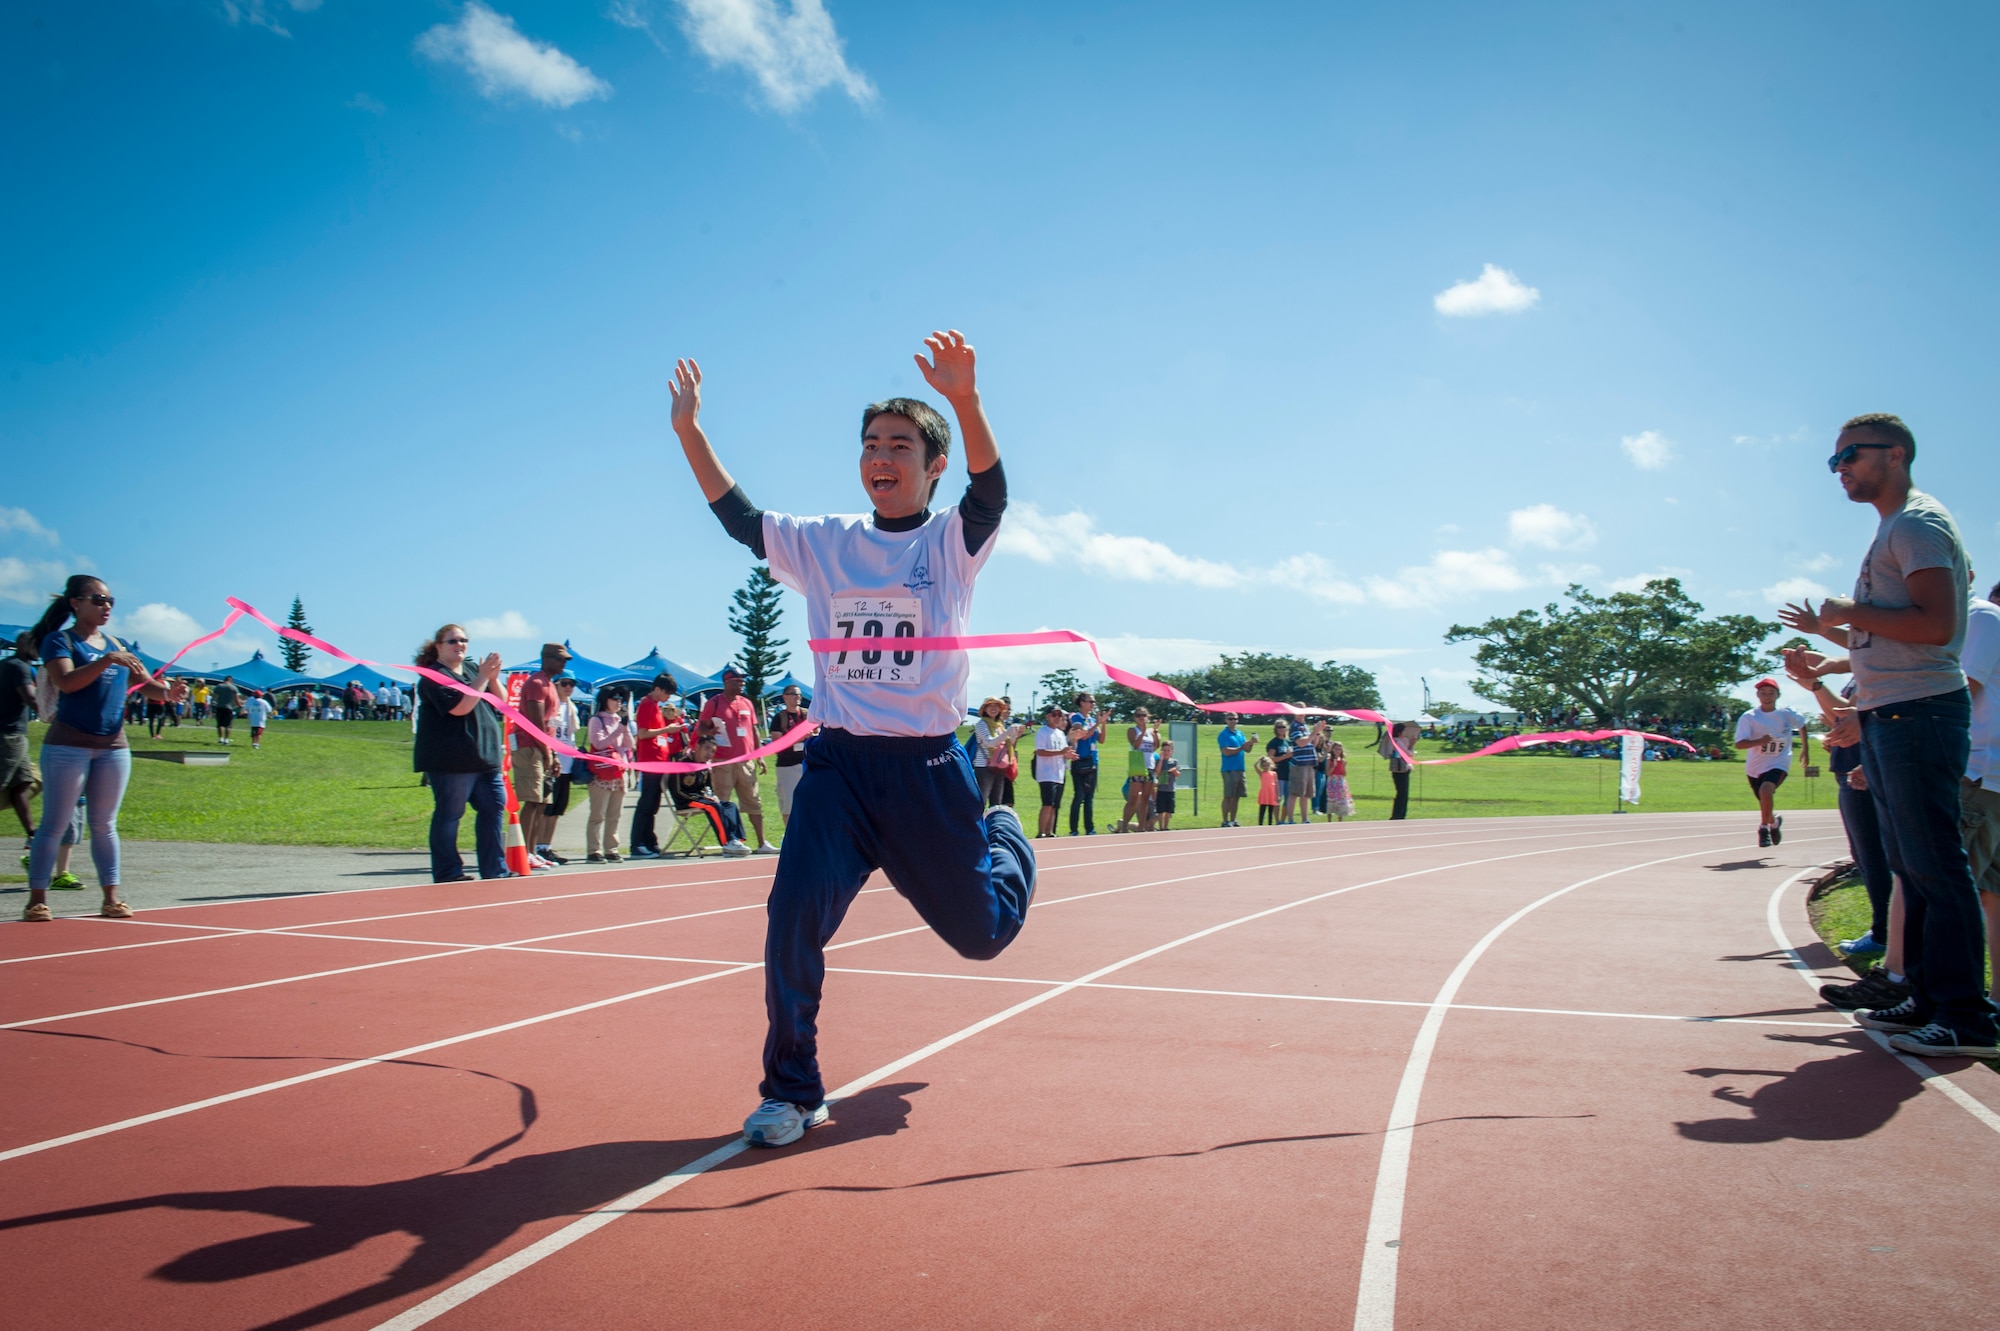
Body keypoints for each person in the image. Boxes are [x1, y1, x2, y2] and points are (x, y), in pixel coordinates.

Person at [670, 327, 1034, 1148]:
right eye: (871, 443)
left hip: (928, 772)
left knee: (981, 937)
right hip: (839, 767)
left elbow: (991, 493)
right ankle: (792, 1089)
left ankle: (1004, 833)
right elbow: (738, 518)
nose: (882, 455)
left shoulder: (952, 543)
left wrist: (966, 401)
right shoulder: (825, 542)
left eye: (900, 444)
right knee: (790, 917)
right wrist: (690, 432)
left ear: (931, 464)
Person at [1775, 412, 1994, 1059]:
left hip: (1921, 712)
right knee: (1912, 865)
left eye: (1849, 456)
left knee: (1937, 865)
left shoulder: (1918, 525)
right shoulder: (1895, 529)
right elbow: (1890, 635)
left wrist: (1847, 612)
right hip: (1894, 712)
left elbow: (1936, 624)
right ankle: (1927, 995)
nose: (1839, 469)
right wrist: (1834, 652)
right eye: (1834, 461)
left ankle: (1966, 1012)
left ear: (1894, 455)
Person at [22, 574, 187, 922]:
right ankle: (38, 898)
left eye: (110, 600)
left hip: (113, 746)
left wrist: (168, 693)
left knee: (105, 824)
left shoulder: (118, 644)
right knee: (54, 822)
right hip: (68, 745)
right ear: (75, 604)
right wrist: (107, 660)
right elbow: (67, 683)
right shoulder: (60, 641)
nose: (106, 606)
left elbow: (147, 685)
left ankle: (111, 898)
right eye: (97, 599)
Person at [411, 623, 509, 883]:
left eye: (464, 640)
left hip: (485, 758)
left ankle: (494, 868)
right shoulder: (435, 676)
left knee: (494, 808)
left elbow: (503, 702)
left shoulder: (472, 670)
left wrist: (493, 677)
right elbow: (460, 707)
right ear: (439, 646)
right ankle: (448, 872)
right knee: (450, 813)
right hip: (452, 761)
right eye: (453, 641)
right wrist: (482, 677)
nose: (460, 645)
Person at [699, 666, 777, 853]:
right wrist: (710, 732)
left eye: (742, 680)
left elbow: (755, 730)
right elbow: (701, 729)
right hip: (723, 762)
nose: (741, 684)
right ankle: (729, 841)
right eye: (737, 681)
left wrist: (759, 757)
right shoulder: (714, 703)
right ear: (727, 682)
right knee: (724, 802)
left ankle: (762, 842)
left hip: (746, 761)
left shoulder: (747, 703)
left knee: (754, 802)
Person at [514, 643, 572, 868]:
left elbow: (551, 727)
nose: (563, 664)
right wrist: (547, 752)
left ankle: (532, 850)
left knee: (541, 802)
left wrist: (554, 754)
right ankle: (521, 851)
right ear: (546, 659)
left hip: (544, 748)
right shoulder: (537, 683)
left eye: (565, 660)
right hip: (530, 748)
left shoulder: (551, 685)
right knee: (532, 800)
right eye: (560, 659)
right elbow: (535, 724)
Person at [1733, 678, 1805, 847]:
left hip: (1780, 761)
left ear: (1777, 695)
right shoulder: (1749, 717)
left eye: (1771, 693)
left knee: (1766, 791)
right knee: (1765, 802)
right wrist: (1759, 741)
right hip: (1755, 766)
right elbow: (1739, 744)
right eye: (1763, 693)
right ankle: (1774, 822)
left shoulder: (1786, 714)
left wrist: (1805, 750)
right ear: (1757, 695)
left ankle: (1763, 829)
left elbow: (1802, 725)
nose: (1767, 697)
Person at [626, 672, 684, 859]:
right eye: (666, 693)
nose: (668, 698)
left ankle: (649, 840)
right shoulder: (646, 705)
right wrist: (667, 729)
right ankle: (638, 843)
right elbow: (642, 734)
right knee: (646, 803)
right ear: (657, 689)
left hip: (660, 760)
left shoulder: (656, 707)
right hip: (650, 760)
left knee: (653, 804)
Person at [669, 733, 753, 856]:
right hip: (686, 801)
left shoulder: (705, 766)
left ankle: (736, 840)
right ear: (697, 747)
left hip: (702, 800)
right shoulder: (682, 763)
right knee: (713, 807)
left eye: (713, 751)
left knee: (730, 806)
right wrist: (702, 798)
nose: (709, 754)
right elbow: (677, 791)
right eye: (706, 749)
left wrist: (712, 796)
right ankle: (727, 842)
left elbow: (708, 787)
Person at [584, 688, 635, 862]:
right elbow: (598, 744)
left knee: (615, 814)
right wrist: (619, 729)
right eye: (615, 698)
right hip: (602, 773)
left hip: (619, 773)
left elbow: (630, 745)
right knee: (598, 814)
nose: (618, 702)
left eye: (621, 699)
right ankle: (593, 849)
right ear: (605, 700)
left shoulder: (619, 721)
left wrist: (625, 727)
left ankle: (611, 848)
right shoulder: (596, 720)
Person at [537, 675, 581, 865]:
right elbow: (549, 731)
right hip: (553, 762)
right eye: (564, 684)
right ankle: (537, 845)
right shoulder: (552, 705)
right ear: (556, 684)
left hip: (567, 763)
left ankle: (547, 845)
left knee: (558, 809)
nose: (568, 688)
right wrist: (552, 756)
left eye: (571, 684)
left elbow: (574, 731)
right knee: (546, 807)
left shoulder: (571, 707)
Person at [4, 631, 40, 847]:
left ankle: (32, 835)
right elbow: (31, 698)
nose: (39, 651)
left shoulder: (10, 664)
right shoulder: (19, 667)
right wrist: (54, 715)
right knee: (5, 784)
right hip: (8, 734)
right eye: (36, 645)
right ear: (24, 645)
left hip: (15, 733)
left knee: (23, 783)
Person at [769, 683, 813, 825]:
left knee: (811, 801)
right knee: (788, 802)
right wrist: (798, 738)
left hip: (808, 765)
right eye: (793, 694)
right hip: (787, 766)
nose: (797, 697)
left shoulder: (808, 715)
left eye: (799, 694)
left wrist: (813, 735)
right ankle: (789, 835)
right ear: (785, 697)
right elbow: (777, 743)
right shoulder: (779, 718)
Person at [1032, 703, 1074, 838]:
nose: (1057, 717)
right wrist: (1060, 752)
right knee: (1047, 803)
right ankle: (1041, 831)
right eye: (1054, 715)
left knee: (1055, 805)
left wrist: (1068, 754)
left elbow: (1063, 752)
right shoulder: (1042, 732)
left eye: (1059, 715)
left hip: (1059, 773)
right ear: (1048, 716)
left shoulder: (1061, 734)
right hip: (1046, 774)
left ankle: (1050, 831)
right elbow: (1041, 752)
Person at [1117, 707, 1158, 833]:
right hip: (1137, 766)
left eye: (1144, 715)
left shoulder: (1151, 732)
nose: (1141, 717)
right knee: (1133, 798)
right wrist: (1143, 732)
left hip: (1149, 766)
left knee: (1145, 798)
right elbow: (1135, 745)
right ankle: (1124, 825)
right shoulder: (1132, 730)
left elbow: (1155, 746)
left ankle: (1141, 826)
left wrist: (1155, 732)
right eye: (1139, 715)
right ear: (1135, 717)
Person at [1066, 691, 1102, 836]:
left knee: (1089, 797)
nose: (1093, 704)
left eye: (1094, 702)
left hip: (1093, 760)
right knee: (1079, 794)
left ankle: (1089, 828)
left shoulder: (1092, 720)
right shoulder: (1076, 717)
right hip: (1079, 760)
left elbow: (1102, 739)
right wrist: (1097, 724)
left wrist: (1102, 724)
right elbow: (1082, 734)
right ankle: (1074, 829)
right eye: (1090, 701)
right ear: (1082, 703)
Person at [970, 696, 1015, 807]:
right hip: (984, 767)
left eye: (997, 706)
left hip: (999, 767)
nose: (993, 708)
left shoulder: (999, 726)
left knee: (997, 804)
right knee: (981, 801)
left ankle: (992, 823)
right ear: (984, 709)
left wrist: (1014, 734)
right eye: (990, 706)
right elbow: (989, 742)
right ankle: (978, 824)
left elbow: (1007, 744)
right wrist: (1008, 733)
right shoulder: (981, 724)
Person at [1216, 714, 1253, 827]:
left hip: (1240, 768)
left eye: (1235, 719)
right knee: (1228, 795)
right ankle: (1225, 820)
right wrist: (1242, 747)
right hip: (1229, 769)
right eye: (1230, 719)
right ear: (1226, 720)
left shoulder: (1240, 733)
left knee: (1237, 796)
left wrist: (1251, 743)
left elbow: (1247, 750)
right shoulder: (1223, 735)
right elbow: (1226, 751)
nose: (1233, 721)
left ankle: (1233, 819)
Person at [1380, 720, 1417, 820]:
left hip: (1398, 768)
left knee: (1401, 792)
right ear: (1400, 732)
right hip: (1401, 768)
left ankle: (1400, 814)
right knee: (1402, 793)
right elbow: (1408, 754)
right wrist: (1412, 745)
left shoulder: (1395, 740)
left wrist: (1410, 745)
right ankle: (1398, 814)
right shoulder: (1397, 741)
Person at [1284, 719, 1318, 824]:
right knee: (1295, 792)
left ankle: (1305, 819)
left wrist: (1316, 732)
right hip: (1299, 763)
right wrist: (1313, 732)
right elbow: (1301, 743)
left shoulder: (1305, 726)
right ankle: (1290, 819)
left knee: (1306, 793)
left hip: (1308, 762)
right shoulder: (1294, 726)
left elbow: (1313, 744)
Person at [1153, 739, 1180, 830]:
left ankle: (1166, 826)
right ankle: (1160, 826)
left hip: (1170, 789)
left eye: (1168, 750)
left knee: (1169, 810)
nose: (1166, 752)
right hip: (1161, 789)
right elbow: (1157, 772)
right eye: (1164, 750)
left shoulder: (1174, 762)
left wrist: (1174, 771)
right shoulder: (1159, 761)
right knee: (1160, 810)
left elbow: (1178, 774)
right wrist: (1161, 760)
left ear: (1172, 752)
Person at [1326, 740, 1355, 820]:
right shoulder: (1329, 759)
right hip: (1332, 781)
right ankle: (1329, 819)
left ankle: (1340, 819)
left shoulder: (1342, 760)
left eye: (1339, 749)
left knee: (1341, 800)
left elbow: (1344, 774)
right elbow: (1328, 773)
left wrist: (1343, 767)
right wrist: (1333, 766)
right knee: (1331, 800)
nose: (1337, 751)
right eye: (1336, 749)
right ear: (1332, 749)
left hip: (1340, 781)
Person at [210, 675, 241, 745]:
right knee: (228, 725)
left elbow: (214, 697)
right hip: (229, 707)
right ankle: (226, 739)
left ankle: (220, 739)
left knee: (220, 724)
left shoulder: (219, 686)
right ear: (231, 680)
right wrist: (239, 706)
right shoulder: (233, 688)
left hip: (219, 706)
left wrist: (212, 703)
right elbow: (236, 699)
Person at [1255, 754, 1279, 825]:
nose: (1266, 767)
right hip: (1264, 793)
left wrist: (1278, 795)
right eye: (1264, 765)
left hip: (1271, 793)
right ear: (1262, 766)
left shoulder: (1274, 773)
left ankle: (1270, 823)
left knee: (1270, 810)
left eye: (1267, 765)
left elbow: (1276, 785)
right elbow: (1255, 766)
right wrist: (1260, 759)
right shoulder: (1261, 773)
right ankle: (1260, 823)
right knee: (1262, 809)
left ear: (1270, 765)